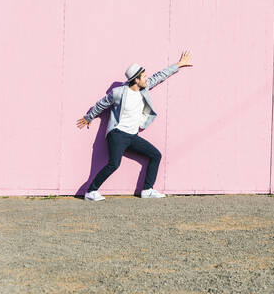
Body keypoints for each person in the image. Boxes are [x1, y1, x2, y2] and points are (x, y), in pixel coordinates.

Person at [76, 51, 193, 201]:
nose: (146, 78)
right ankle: (91, 192)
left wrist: (179, 64)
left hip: (132, 136)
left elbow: (159, 76)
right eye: (144, 76)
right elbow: (102, 104)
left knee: (156, 155)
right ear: (136, 80)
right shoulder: (118, 93)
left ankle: (147, 190)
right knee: (114, 164)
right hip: (117, 134)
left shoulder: (144, 88)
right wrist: (89, 117)